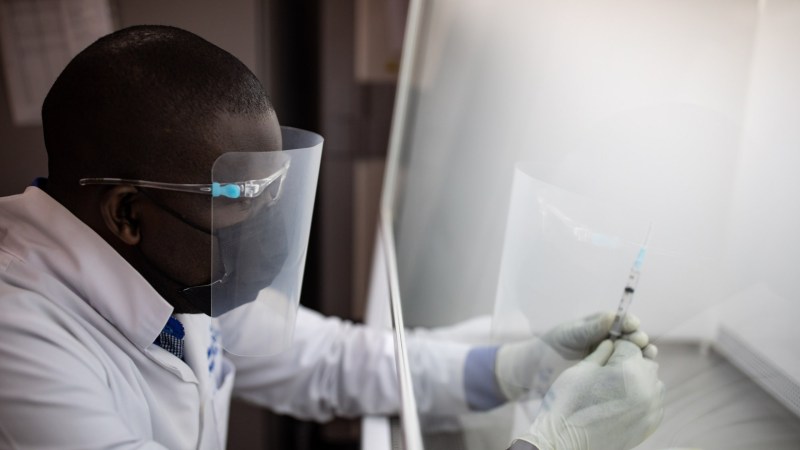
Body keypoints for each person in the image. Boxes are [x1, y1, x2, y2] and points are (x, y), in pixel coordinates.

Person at [0, 25, 663, 449]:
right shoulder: (18, 342)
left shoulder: (173, 273)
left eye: (272, 189)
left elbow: (330, 360)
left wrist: (514, 366)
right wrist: (557, 443)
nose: (265, 223)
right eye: (239, 195)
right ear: (127, 212)